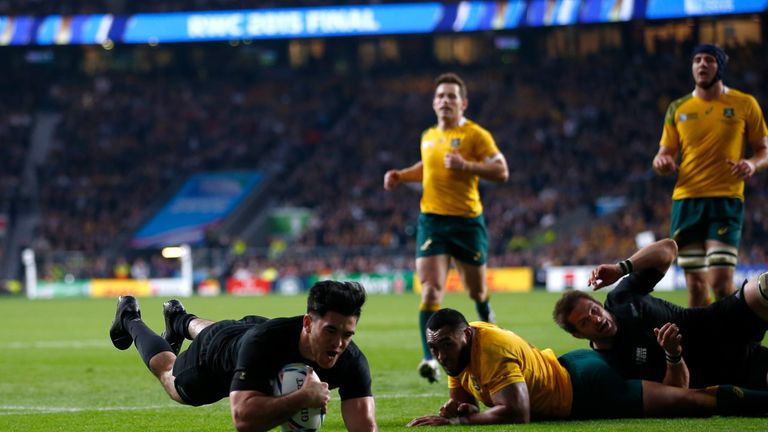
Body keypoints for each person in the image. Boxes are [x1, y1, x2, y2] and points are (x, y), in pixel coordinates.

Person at [407, 308, 768, 426]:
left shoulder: (491, 350)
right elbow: (460, 390)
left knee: (690, 401)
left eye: (445, 346)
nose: (439, 356)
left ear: (467, 334)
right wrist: (456, 406)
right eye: (434, 348)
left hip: (589, 390)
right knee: (679, 394)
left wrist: (460, 420)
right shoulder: (458, 347)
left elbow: (518, 412)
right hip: (570, 367)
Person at [108, 280, 378, 432]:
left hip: (249, 334)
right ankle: (130, 317)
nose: (339, 343)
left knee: (226, 330)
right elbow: (243, 418)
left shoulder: (352, 361)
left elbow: (365, 428)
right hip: (216, 357)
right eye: (330, 331)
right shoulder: (264, 344)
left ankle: (179, 319)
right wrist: (303, 398)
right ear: (308, 323)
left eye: (348, 334)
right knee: (169, 376)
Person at [383, 72, 509, 383]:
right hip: (433, 222)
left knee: (476, 289)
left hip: (467, 223)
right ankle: (429, 358)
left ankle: (485, 311)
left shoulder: (476, 135)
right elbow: (428, 168)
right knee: (430, 290)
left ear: (463, 103)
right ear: (433, 103)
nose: (445, 101)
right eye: (440, 96)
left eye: (452, 96)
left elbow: (501, 170)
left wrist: (467, 166)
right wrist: (400, 175)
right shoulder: (428, 136)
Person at [553, 238, 768, 390]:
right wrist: (673, 355)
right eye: (585, 322)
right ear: (579, 335)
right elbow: (675, 391)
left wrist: (621, 268)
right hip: (724, 369)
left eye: (594, 311)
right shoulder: (613, 366)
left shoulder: (621, 298)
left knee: (765, 286)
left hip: (720, 321)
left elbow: (669, 249)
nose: (597, 319)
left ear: (599, 303)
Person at [652, 43, 768, 307]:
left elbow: (764, 150)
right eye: (697, 60)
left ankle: (736, 343)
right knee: (694, 287)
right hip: (687, 201)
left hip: (725, 200)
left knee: (720, 282)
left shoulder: (744, 103)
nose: (702, 64)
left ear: (720, 67)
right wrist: (662, 162)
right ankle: (702, 346)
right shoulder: (677, 108)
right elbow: (663, 154)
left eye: (709, 60)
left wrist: (752, 164)